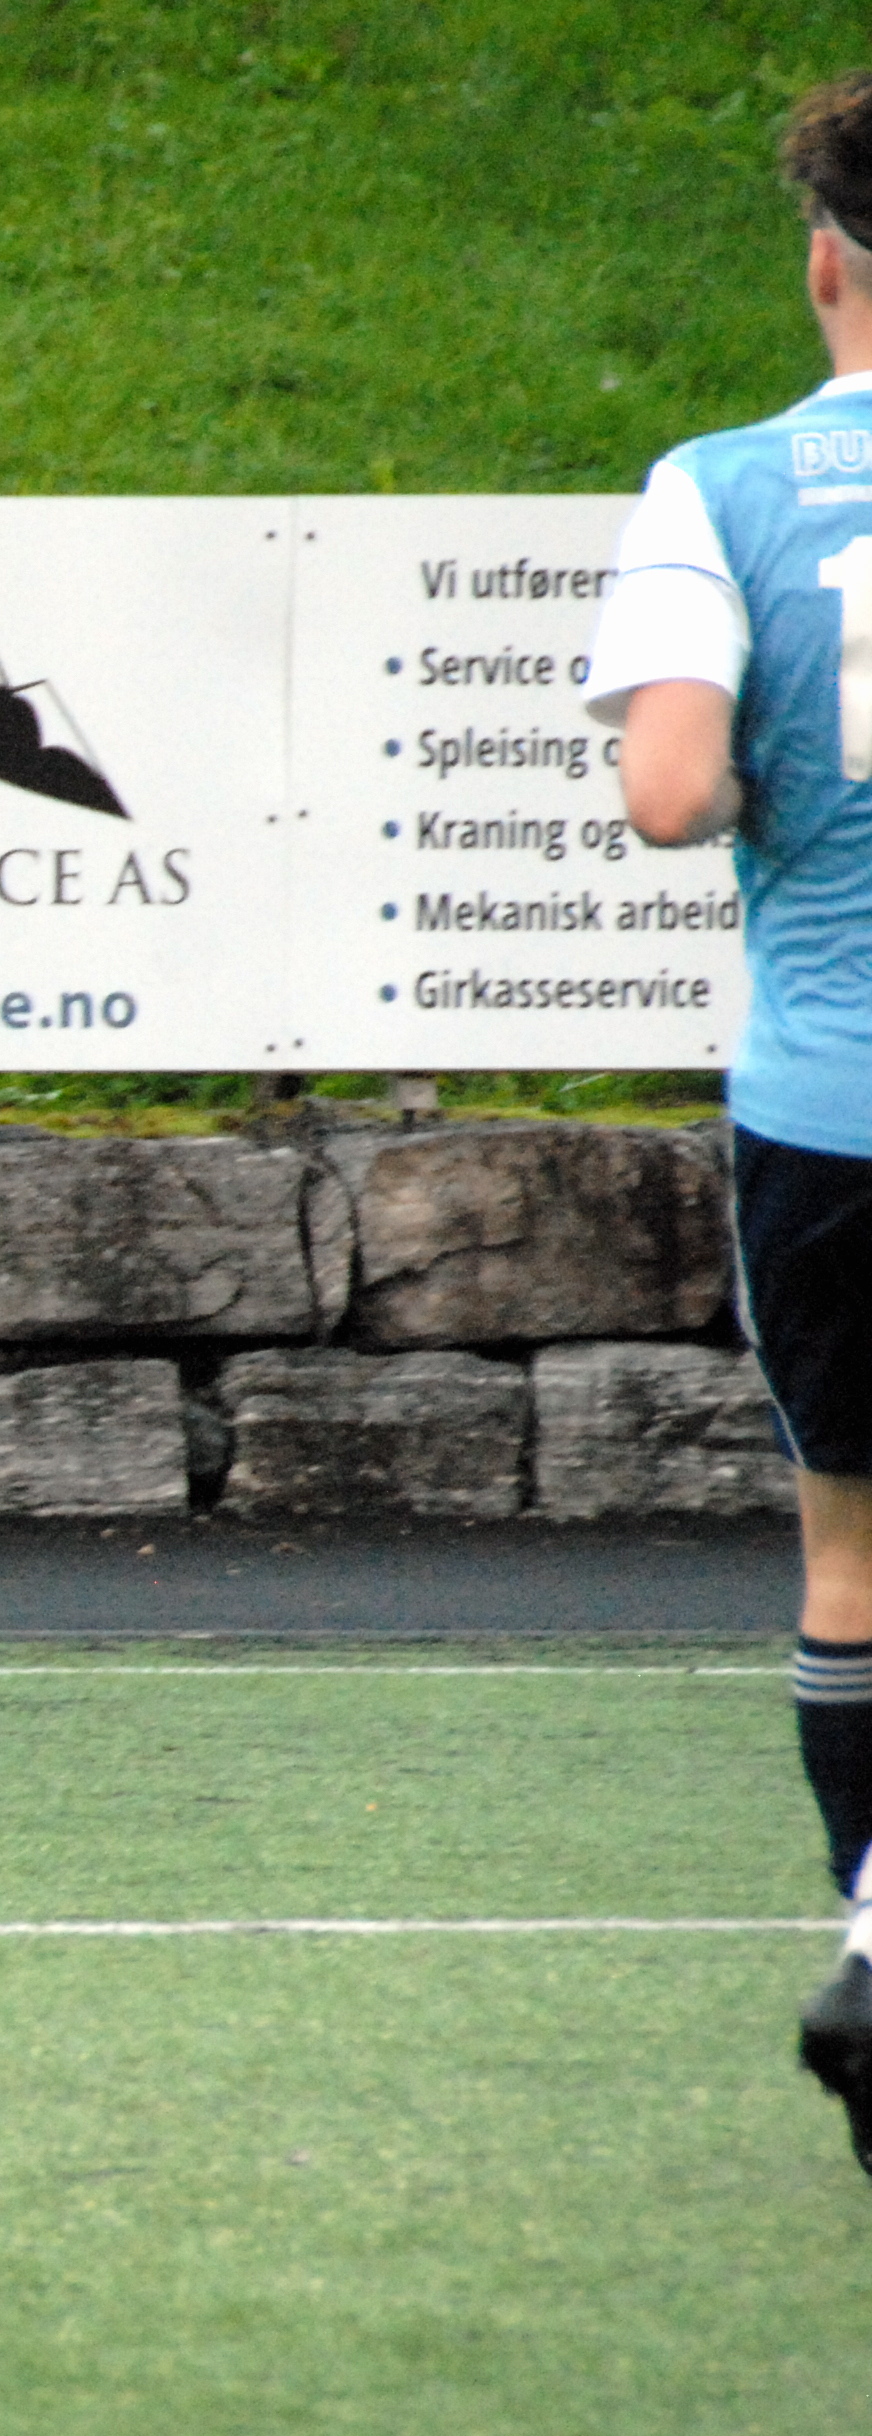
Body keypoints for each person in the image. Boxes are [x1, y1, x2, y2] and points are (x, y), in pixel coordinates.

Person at [589, 70, 872, 2176]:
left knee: (851, 1539)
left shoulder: (716, 487)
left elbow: (670, 789)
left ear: (824, 265)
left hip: (833, 1115)